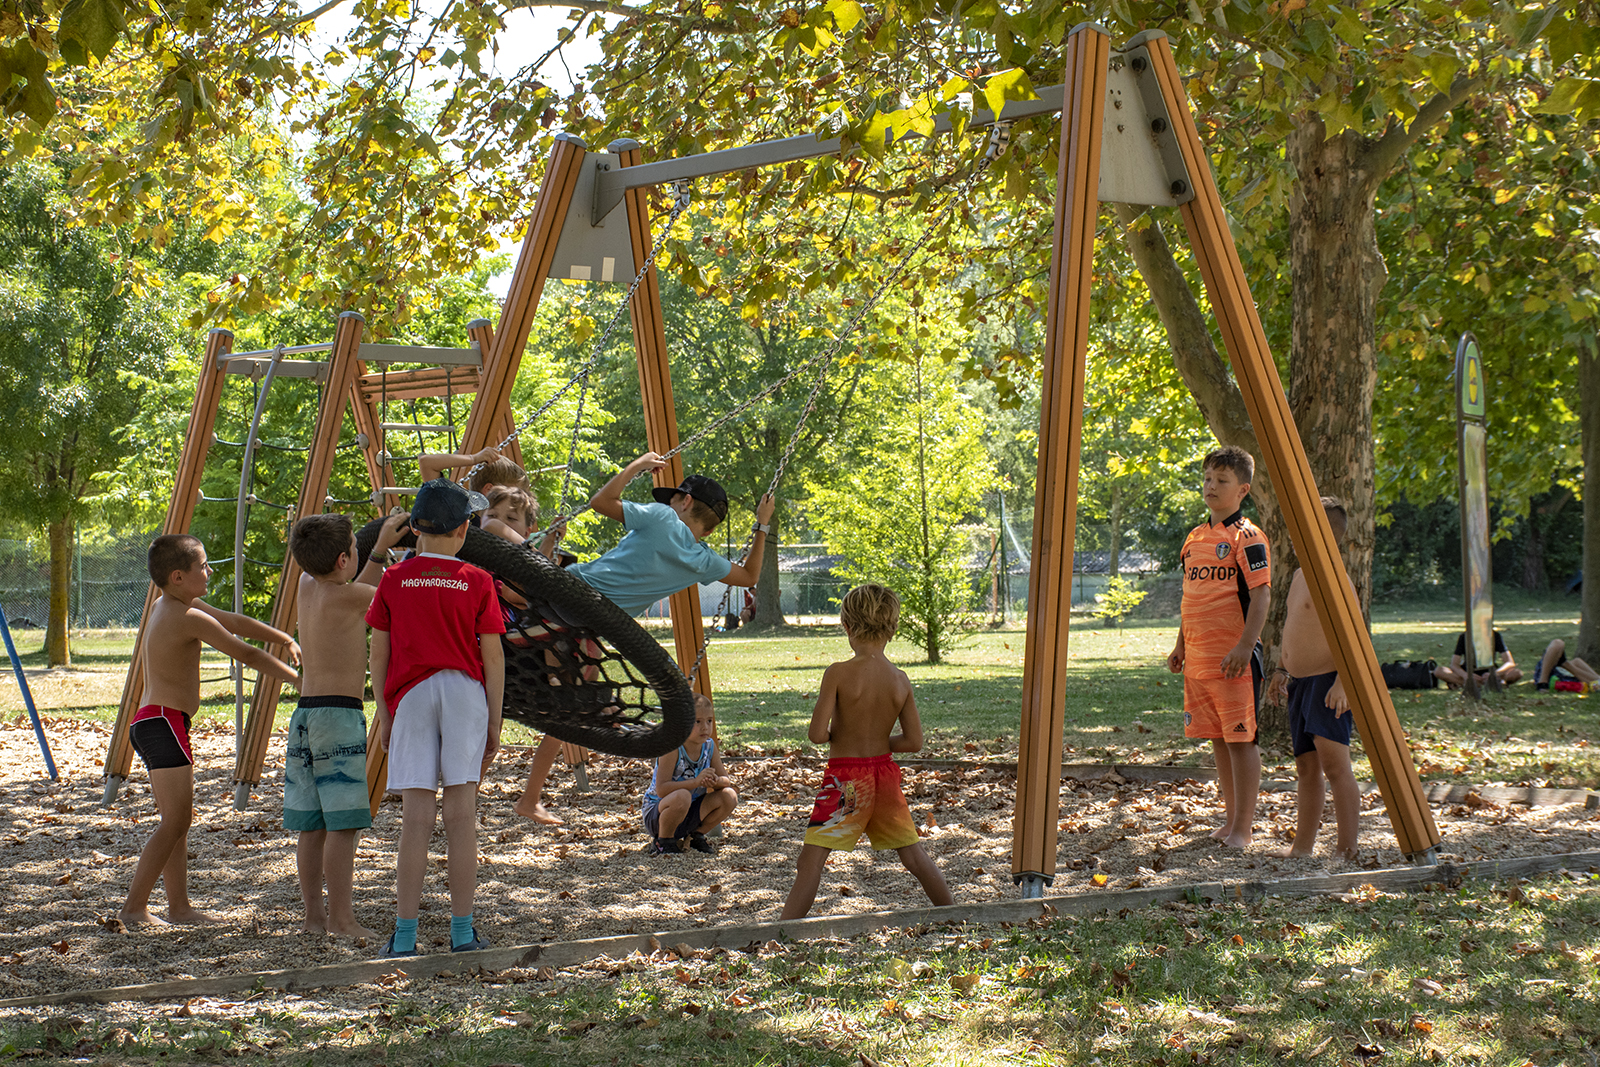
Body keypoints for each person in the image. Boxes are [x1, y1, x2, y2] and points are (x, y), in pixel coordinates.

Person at [118, 535, 301, 929]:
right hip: (163, 722)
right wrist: (299, 682)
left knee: (177, 822)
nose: (210, 571)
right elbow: (244, 652)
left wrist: (283, 637)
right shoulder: (185, 616)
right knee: (175, 822)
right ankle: (134, 908)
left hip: (160, 722)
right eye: (204, 566)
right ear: (179, 576)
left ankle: (179, 907)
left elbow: (233, 622)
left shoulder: (171, 605)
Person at [367, 479, 506, 957]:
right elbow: (493, 658)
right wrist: (495, 720)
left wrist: (384, 712)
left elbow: (378, 654)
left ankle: (404, 935)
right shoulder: (477, 580)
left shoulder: (392, 580)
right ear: (464, 529)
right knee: (461, 815)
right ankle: (462, 932)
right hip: (466, 694)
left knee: (416, 819)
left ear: (415, 531)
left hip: (411, 697)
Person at [779, 584, 952, 920]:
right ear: (893, 627)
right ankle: (953, 914)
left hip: (846, 780)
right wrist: (877, 744)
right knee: (913, 856)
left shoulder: (838, 673)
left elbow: (816, 734)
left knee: (811, 861)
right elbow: (914, 741)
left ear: (846, 625)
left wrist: (847, 740)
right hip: (884, 775)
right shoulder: (900, 679)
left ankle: (784, 931)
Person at [284, 510, 410, 938]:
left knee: (312, 824)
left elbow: (359, 580)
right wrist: (381, 550)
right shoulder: (353, 596)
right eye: (354, 551)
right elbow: (379, 589)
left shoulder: (307, 585)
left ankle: (314, 919)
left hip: (304, 715)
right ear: (343, 560)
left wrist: (370, 551)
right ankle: (342, 919)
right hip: (339, 717)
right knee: (343, 826)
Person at [1165, 445, 1270, 849]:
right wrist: (1181, 645)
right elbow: (1191, 596)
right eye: (1208, 478)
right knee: (1220, 741)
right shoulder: (1194, 539)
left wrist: (1246, 645)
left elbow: (1261, 596)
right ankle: (1229, 821)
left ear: (1242, 490)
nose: (1211, 485)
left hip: (1235, 662)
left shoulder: (1248, 537)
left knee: (1242, 741)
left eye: (1221, 480)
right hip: (1200, 661)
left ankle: (1244, 827)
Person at [564, 453, 774, 617]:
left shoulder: (663, 516)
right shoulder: (703, 561)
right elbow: (750, 576)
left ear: (686, 501)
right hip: (604, 621)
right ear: (708, 531)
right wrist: (762, 524)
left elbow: (600, 502)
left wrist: (637, 465)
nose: (666, 505)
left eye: (671, 500)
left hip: (571, 589)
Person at [1266, 497, 1360, 861]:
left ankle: (1346, 848)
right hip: (1300, 683)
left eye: (1301, 527)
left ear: (1325, 535)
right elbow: (1294, 630)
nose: (1292, 533)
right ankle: (1301, 848)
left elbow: (1354, 635)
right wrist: (1280, 670)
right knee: (1306, 767)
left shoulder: (1334, 578)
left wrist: (1345, 682)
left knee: (1335, 767)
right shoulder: (1300, 575)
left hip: (1327, 682)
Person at [642, 694, 739, 854]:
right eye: (697, 722)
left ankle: (695, 836)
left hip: (690, 810)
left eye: (709, 721)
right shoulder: (673, 748)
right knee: (682, 796)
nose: (705, 727)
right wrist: (695, 782)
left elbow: (725, 781)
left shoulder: (709, 746)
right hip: (659, 813)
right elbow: (661, 789)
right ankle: (663, 841)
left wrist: (714, 781)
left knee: (729, 796)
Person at [419, 446, 531, 495]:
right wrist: (473, 459)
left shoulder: (511, 524)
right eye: (516, 494)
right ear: (489, 490)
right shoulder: (459, 509)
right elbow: (426, 463)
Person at [1434, 630, 1521, 688]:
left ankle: (1467, 684)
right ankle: (1482, 684)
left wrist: (1495, 673)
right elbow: (1454, 664)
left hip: (1490, 673)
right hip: (1468, 672)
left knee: (1516, 673)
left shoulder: (1495, 635)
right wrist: (1466, 675)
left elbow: (1510, 663)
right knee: (1439, 671)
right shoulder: (1465, 636)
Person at [1534, 638, 1600, 691]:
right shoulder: (1577, 662)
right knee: (1559, 643)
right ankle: (1543, 681)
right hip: (1552, 669)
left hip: (1559, 679)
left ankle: (1542, 683)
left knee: (1558, 643)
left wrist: (1566, 664)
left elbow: (1596, 684)